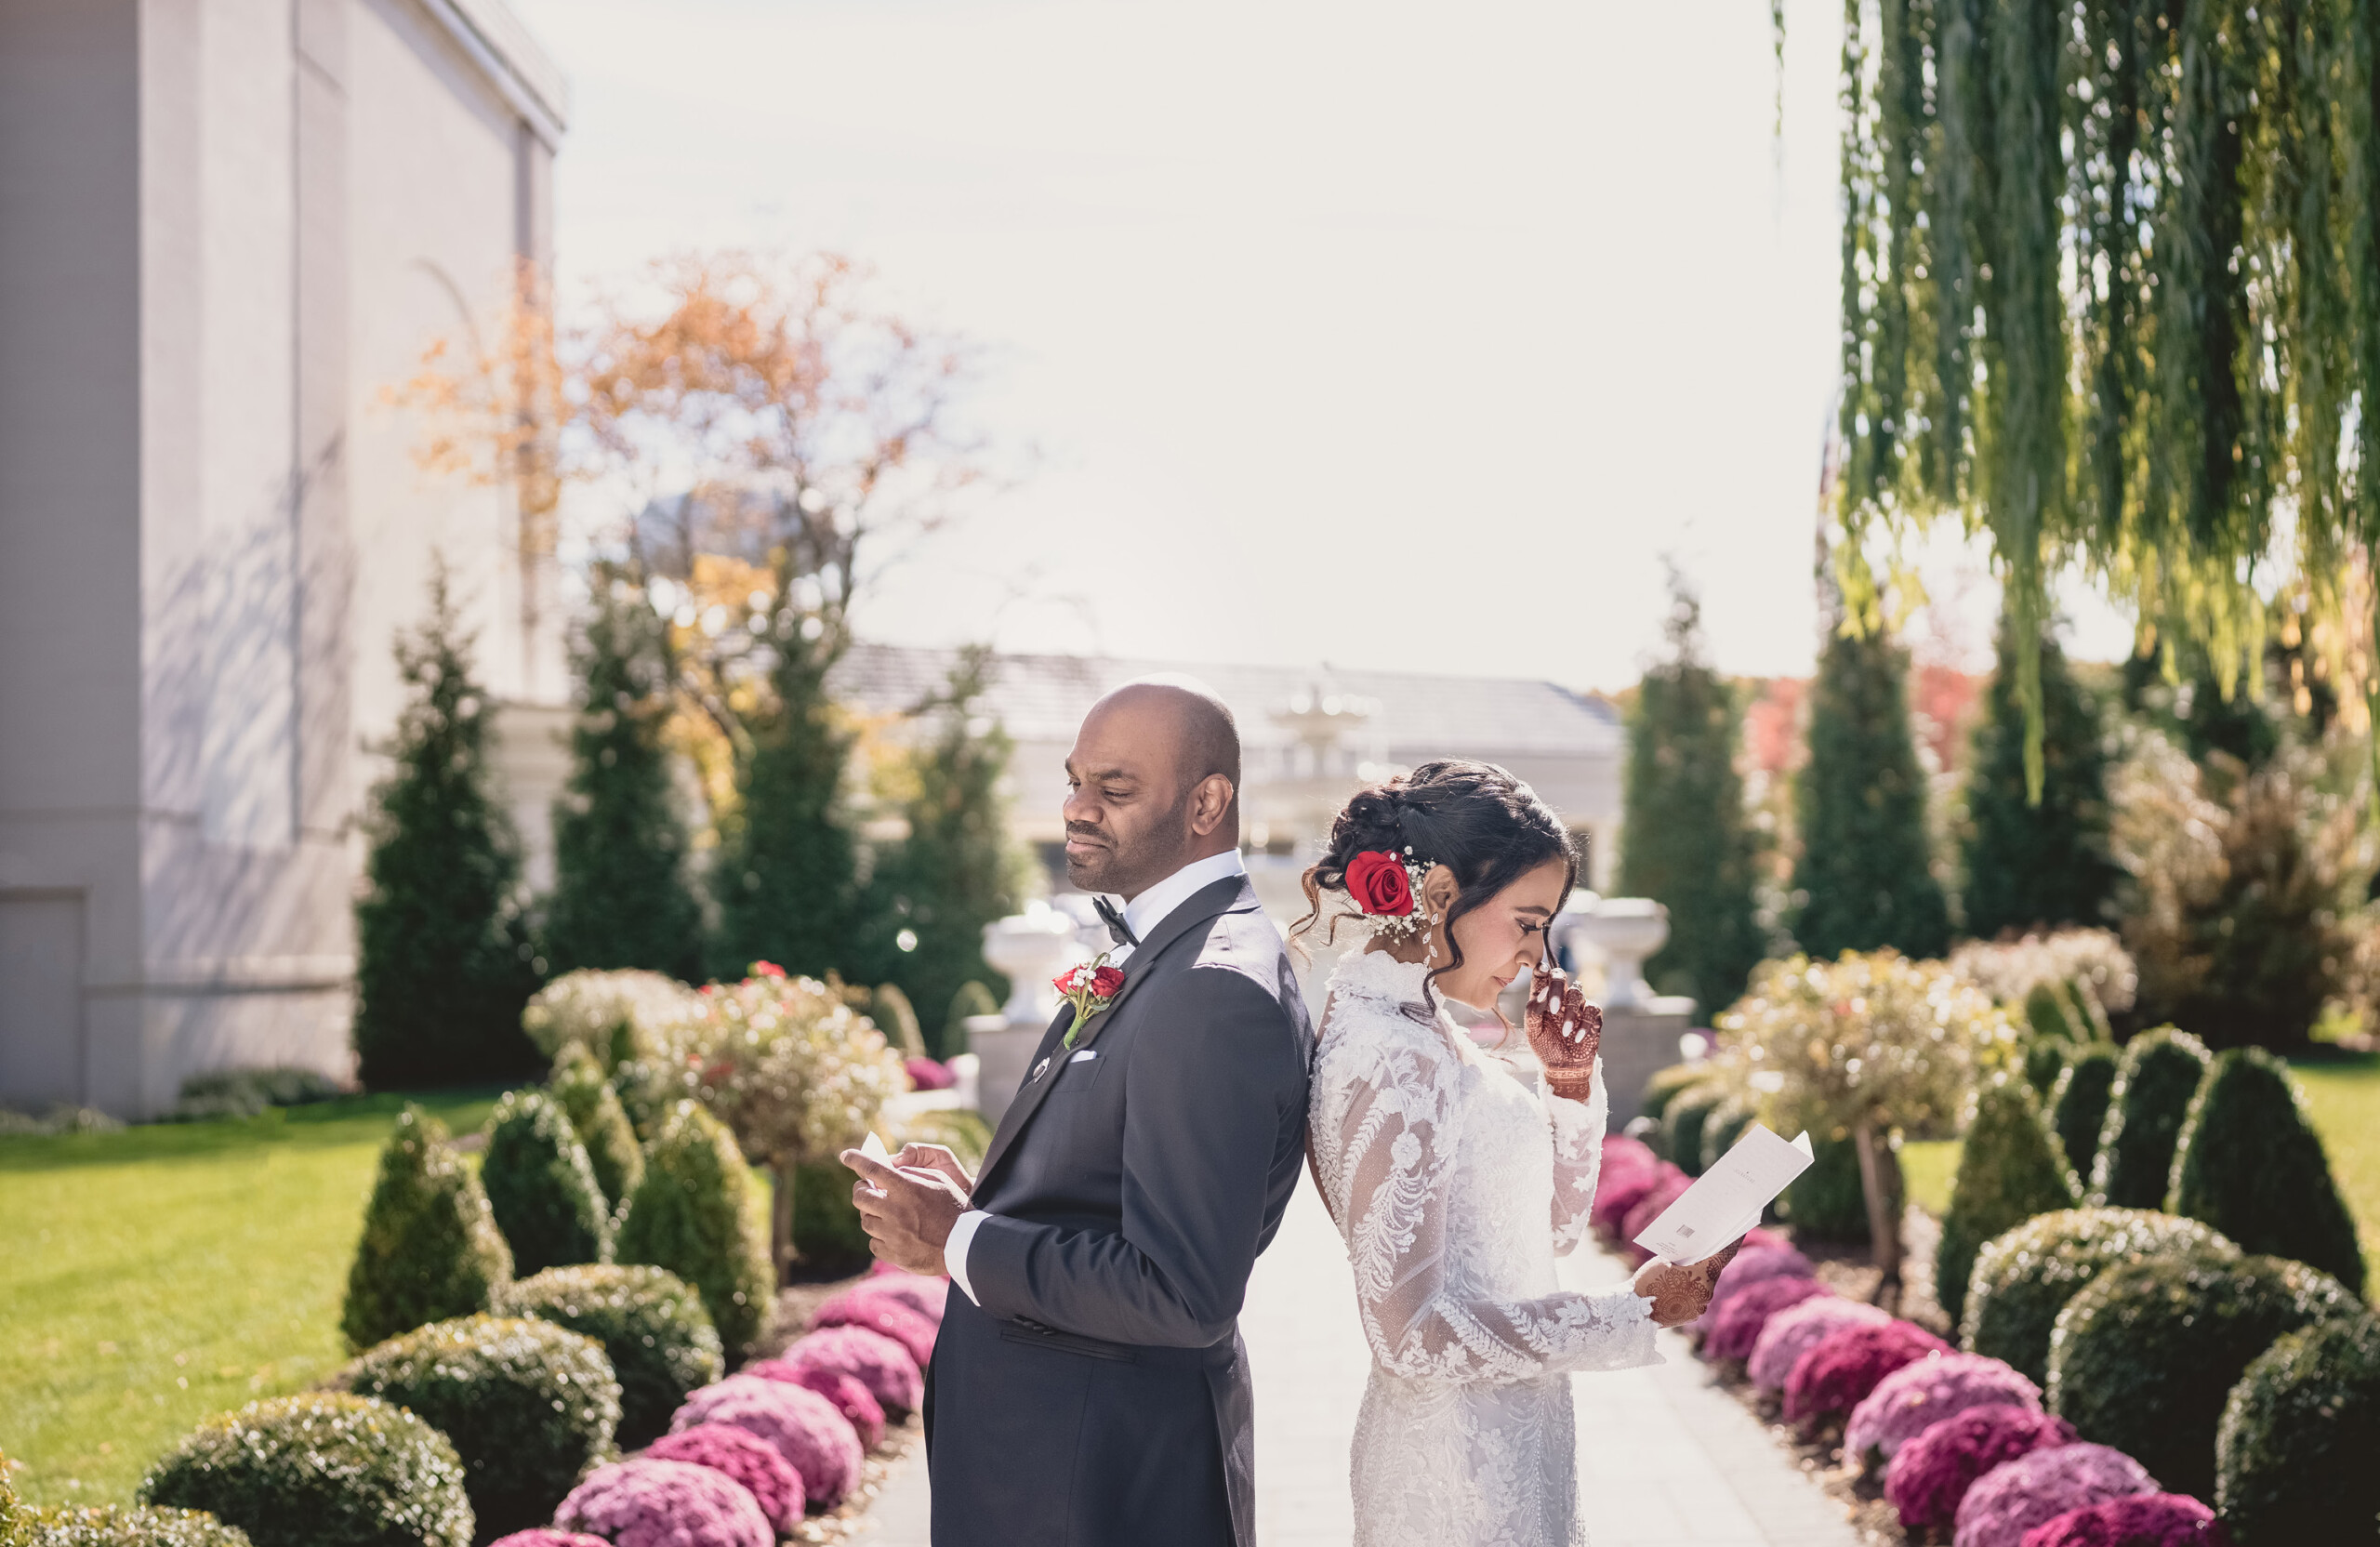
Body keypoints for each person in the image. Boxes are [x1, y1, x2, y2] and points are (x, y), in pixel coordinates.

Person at [841, 676, 1312, 1547]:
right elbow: (1111, 1193)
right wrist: (983, 1200)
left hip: (1099, 1486)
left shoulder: (1213, 987)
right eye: (1073, 780)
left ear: (1209, 802)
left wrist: (957, 1240)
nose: (1076, 807)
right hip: (1058, 1465)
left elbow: (1180, 1291)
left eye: (1114, 788)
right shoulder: (1165, 950)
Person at [1300, 760, 1737, 1547]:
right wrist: (1630, 1311)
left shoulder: (1414, 1025)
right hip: (1453, 1475)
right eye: (1528, 921)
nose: (1538, 956)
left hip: (1512, 1431)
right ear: (1438, 897)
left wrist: (1566, 1092)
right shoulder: (1393, 1055)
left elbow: (1544, 1236)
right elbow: (1406, 1336)